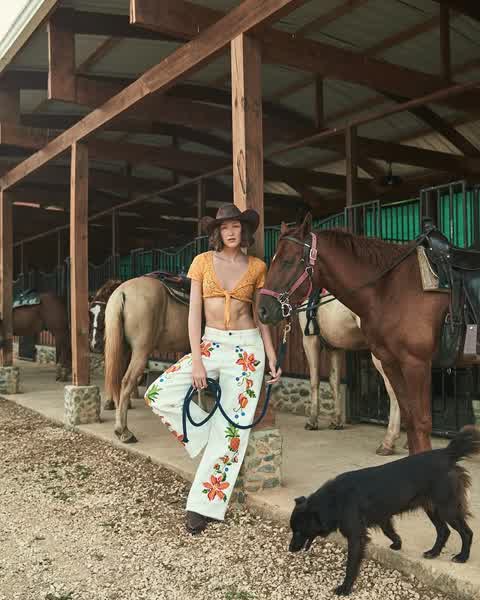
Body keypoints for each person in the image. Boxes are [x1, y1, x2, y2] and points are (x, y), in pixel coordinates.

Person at [144, 203, 281, 534]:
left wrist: (271, 355)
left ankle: (202, 507)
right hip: (211, 343)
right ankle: (215, 438)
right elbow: (194, 314)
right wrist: (197, 359)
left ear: (243, 231)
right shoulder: (202, 262)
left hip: (247, 349)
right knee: (159, 393)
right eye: (225, 227)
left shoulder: (257, 267)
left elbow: (261, 316)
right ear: (217, 232)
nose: (231, 232)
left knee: (232, 430)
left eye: (236, 226)